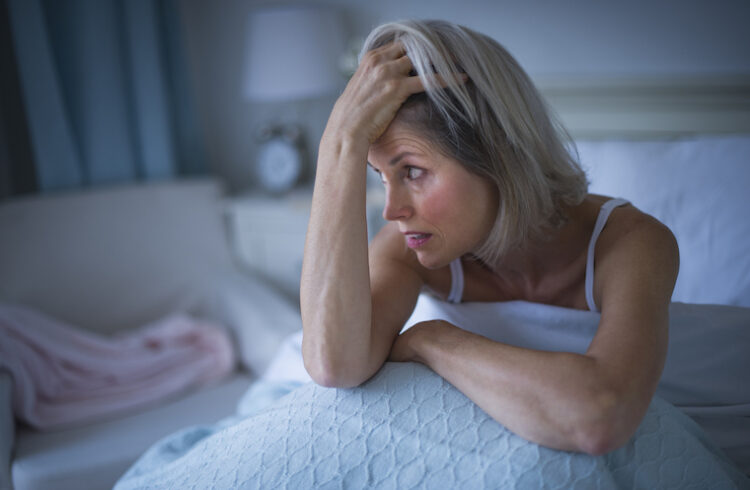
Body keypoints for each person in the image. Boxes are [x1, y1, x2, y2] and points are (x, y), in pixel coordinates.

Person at [300, 19, 679, 456]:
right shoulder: (408, 246)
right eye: (380, 176)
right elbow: (334, 364)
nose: (392, 211)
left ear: (497, 155)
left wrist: (433, 339)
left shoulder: (631, 241)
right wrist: (339, 141)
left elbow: (598, 418)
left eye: (413, 171)